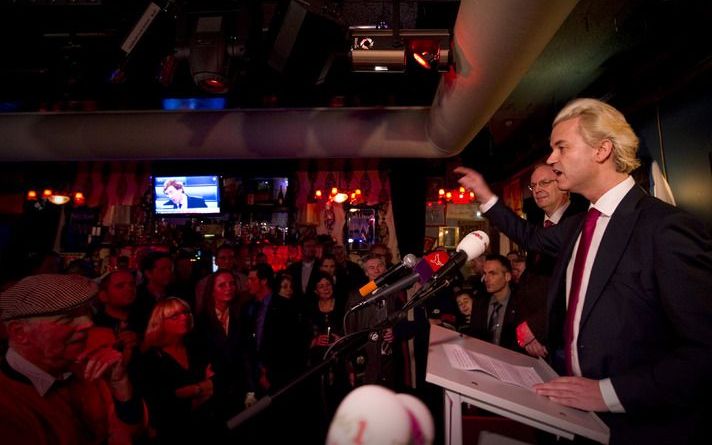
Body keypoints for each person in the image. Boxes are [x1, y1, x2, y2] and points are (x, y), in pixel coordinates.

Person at [455, 97, 712, 443]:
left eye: (561, 147)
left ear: (602, 150)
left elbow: (703, 351)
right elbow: (529, 236)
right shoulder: (579, 225)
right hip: (579, 419)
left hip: (640, 426)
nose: (551, 159)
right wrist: (486, 196)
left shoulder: (664, 229)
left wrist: (607, 394)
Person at [0, 274, 144, 444]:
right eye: (67, 318)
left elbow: (131, 431)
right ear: (20, 333)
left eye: (86, 312)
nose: (88, 323)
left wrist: (120, 385)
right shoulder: (7, 403)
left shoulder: (83, 370)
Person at [515, 163, 585, 358]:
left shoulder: (580, 223)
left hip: (561, 340)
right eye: (533, 185)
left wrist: (539, 331)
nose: (537, 189)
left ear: (562, 185)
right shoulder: (537, 226)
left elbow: (571, 290)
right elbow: (529, 285)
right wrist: (526, 328)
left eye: (544, 183)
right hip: (530, 337)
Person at [137, 297, 222, 443]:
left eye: (186, 312)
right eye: (175, 316)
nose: (184, 317)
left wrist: (191, 391)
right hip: (173, 432)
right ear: (160, 323)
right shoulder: (150, 357)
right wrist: (201, 388)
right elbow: (161, 403)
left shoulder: (196, 346)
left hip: (206, 425)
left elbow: (217, 382)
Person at [465, 255, 518, 350]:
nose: (486, 279)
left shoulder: (520, 304)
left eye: (492, 274)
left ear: (507, 276)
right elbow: (474, 336)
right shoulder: (479, 302)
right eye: (485, 273)